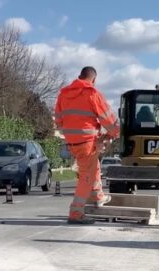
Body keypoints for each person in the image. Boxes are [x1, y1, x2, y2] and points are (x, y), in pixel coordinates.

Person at [54, 66, 120, 224]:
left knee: (93, 166)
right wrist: (115, 132)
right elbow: (107, 118)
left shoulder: (63, 94)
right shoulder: (92, 93)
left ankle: (98, 196)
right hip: (87, 142)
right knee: (87, 177)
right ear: (94, 80)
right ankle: (76, 212)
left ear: (79, 76)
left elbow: (58, 119)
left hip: (72, 141)